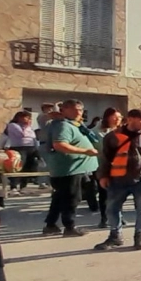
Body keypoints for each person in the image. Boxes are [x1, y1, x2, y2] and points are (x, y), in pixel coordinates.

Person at [94, 109, 141, 251]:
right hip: (117, 180)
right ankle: (115, 236)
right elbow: (105, 158)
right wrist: (102, 176)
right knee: (112, 209)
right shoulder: (113, 136)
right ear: (131, 119)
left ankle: (139, 236)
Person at [42, 99, 99, 237]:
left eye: (81, 109)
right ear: (64, 110)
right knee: (72, 198)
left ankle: (51, 225)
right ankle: (69, 227)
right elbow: (60, 145)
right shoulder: (63, 126)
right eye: (75, 109)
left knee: (59, 198)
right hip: (69, 170)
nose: (79, 112)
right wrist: (85, 151)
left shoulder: (74, 125)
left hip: (74, 169)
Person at [93, 107, 123, 228]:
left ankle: (118, 217)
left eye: (120, 117)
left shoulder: (122, 131)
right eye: (115, 117)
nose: (117, 120)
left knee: (119, 194)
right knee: (104, 194)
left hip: (120, 167)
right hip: (103, 166)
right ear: (107, 117)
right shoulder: (97, 132)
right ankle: (104, 218)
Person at [5, 111, 39, 194]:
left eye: (28, 117)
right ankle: (13, 187)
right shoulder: (13, 125)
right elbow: (22, 134)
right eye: (25, 117)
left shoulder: (29, 127)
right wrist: (27, 127)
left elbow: (33, 137)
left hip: (31, 147)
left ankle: (24, 186)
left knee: (28, 166)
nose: (27, 119)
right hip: (19, 147)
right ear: (19, 118)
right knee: (17, 166)